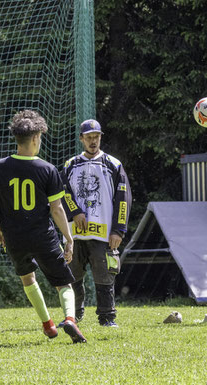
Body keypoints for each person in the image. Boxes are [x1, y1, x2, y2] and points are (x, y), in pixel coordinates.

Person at [0, 109, 86, 343]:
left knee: (28, 278)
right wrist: (69, 238)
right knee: (63, 283)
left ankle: (47, 324)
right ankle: (69, 319)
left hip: (13, 236)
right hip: (42, 235)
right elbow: (57, 209)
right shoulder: (47, 169)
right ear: (36, 138)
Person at [61, 119, 131, 327]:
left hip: (103, 233)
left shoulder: (113, 164)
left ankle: (107, 317)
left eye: (96, 137)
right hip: (75, 233)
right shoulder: (70, 165)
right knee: (72, 275)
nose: (93, 141)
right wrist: (74, 212)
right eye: (89, 137)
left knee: (104, 276)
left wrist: (118, 230)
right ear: (81, 139)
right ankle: (74, 315)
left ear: (101, 137)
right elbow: (62, 193)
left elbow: (123, 199)